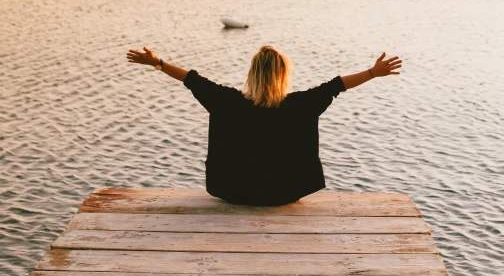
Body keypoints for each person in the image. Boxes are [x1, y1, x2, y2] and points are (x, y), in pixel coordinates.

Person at [126, 44, 402, 206]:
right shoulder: (301, 104)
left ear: (251, 74)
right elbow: (337, 85)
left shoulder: (226, 101)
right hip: (284, 194)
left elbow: (191, 79)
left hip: (231, 191)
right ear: (283, 74)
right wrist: (373, 73)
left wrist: (157, 63)